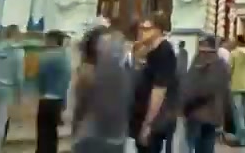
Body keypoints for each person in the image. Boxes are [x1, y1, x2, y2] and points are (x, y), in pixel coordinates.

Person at [72, 24, 131, 153]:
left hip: (96, 135)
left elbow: (80, 108)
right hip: (108, 137)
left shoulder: (89, 72)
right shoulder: (118, 72)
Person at [129, 16, 179, 153]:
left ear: (158, 30)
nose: (141, 32)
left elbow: (159, 91)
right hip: (142, 115)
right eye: (140, 28)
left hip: (155, 120)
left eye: (146, 29)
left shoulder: (164, 52)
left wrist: (148, 124)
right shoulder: (149, 51)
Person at [181, 35, 230, 153]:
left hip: (196, 112)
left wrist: (185, 104)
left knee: (193, 144)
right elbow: (225, 90)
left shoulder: (199, 61)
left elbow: (190, 85)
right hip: (213, 114)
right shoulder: (222, 64)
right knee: (207, 143)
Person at [35, 30, 70, 153]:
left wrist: (41, 93)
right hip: (58, 100)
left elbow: (40, 78)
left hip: (45, 99)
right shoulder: (65, 57)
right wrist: (64, 103)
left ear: (52, 40)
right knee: (52, 134)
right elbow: (66, 82)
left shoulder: (44, 56)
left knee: (42, 134)